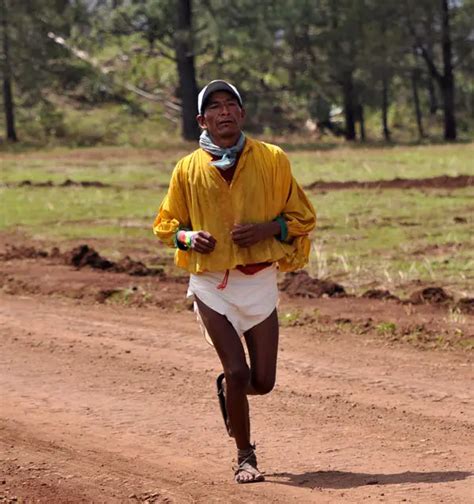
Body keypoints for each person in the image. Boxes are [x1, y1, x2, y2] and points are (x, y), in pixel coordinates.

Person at [153, 80, 316, 484]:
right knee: (239, 371)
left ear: (242, 115)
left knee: (263, 381)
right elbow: (166, 225)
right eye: (215, 107)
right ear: (201, 120)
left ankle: (230, 390)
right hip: (211, 284)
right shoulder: (187, 169)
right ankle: (246, 457)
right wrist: (189, 238)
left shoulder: (273, 160)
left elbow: (303, 217)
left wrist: (268, 229)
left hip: (258, 281)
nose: (224, 112)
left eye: (231, 105)